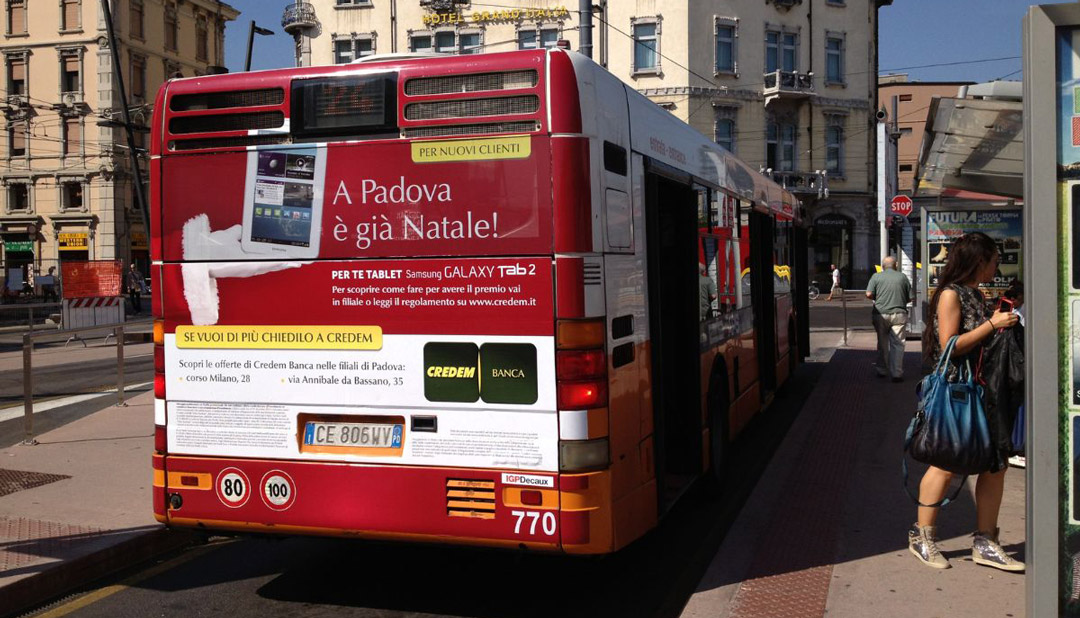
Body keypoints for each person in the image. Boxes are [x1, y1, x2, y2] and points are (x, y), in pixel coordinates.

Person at [909, 232, 1024, 572]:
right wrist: (992, 323)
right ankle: (922, 537)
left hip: (986, 391)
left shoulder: (976, 293)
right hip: (959, 394)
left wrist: (1003, 309)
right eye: (992, 260)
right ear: (978, 260)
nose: (996, 266)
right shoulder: (949, 295)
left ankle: (986, 541)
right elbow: (949, 346)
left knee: (995, 464)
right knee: (947, 461)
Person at [866, 256, 911, 381]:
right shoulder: (902, 277)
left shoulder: (876, 277)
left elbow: (868, 294)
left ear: (883, 266)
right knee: (898, 344)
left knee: (882, 343)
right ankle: (897, 373)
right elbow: (910, 297)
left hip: (880, 314)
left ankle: (881, 370)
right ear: (895, 265)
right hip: (899, 313)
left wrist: (877, 298)